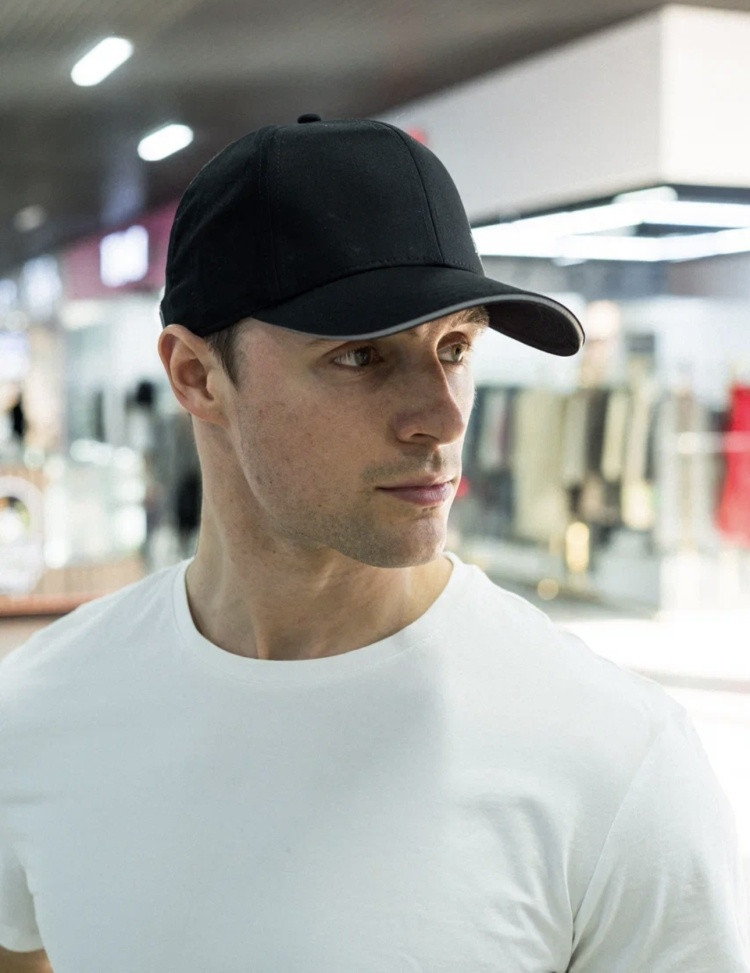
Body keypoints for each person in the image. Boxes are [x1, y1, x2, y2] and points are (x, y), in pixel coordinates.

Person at [0, 115, 748, 973]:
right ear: (197, 376)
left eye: (455, 347)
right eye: (361, 356)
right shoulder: (39, 713)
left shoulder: (619, 760)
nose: (445, 417)